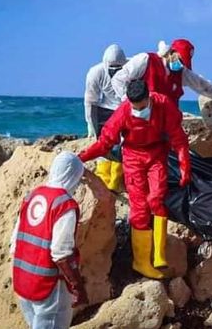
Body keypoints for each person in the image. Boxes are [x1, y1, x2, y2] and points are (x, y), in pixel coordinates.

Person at [78, 80, 191, 279]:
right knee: (139, 208)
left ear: (149, 98)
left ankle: (159, 254)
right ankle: (141, 262)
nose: (138, 110)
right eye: (134, 107)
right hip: (132, 157)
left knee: (156, 199)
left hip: (156, 154)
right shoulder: (123, 112)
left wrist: (184, 165)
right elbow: (105, 142)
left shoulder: (164, 104)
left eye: (142, 107)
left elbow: (178, 137)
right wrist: (81, 157)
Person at [10, 151, 90, 329]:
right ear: (73, 175)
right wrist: (77, 288)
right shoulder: (65, 205)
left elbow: (15, 242)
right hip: (48, 286)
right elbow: (60, 252)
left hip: (23, 280)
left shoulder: (32, 196)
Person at [111, 38, 212, 111]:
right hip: (139, 117)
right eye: (180, 60)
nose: (180, 65)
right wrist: (129, 102)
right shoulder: (145, 60)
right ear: (171, 52)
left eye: (184, 63)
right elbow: (118, 80)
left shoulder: (181, 73)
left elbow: (205, 87)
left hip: (164, 126)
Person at [84, 44, 128, 192]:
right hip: (106, 108)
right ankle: (104, 179)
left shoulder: (132, 68)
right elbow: (90, 101)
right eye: (112, 67)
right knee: (103, 144)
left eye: (119, 67)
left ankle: (116, 181)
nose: (115, 71)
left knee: (123, 144)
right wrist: (90, 124)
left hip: (125, 106)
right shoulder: (95, 73)